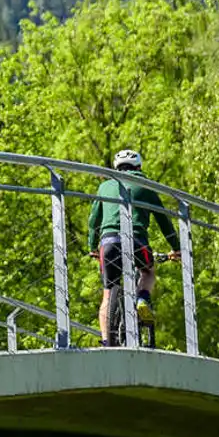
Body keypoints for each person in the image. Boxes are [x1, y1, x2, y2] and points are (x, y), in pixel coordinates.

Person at [88, 148, 180, 345]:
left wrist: (92, 247)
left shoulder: (105, 187)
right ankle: (142, 299)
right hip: (138, 242)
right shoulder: (146, 186)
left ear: (116, 167)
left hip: (108, 243)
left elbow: (93, 221)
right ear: (139, 167)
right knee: (148, 272)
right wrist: (176, 248)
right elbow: (164, 222)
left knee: (107, 292)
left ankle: (106, 341)